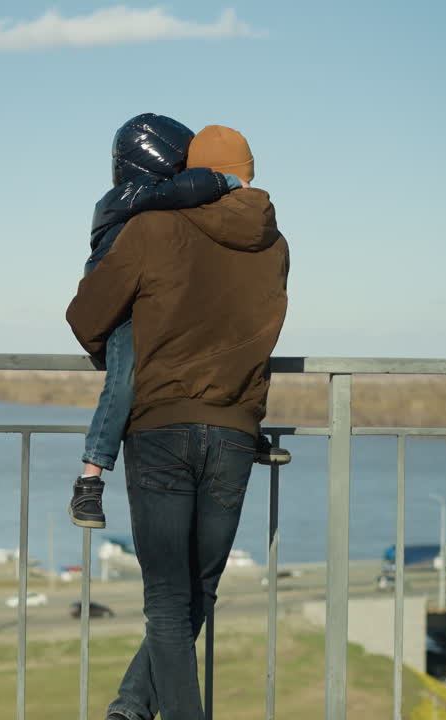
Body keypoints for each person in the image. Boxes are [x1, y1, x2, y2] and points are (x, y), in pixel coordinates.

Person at [66, 124, 290, 720]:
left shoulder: (153, 227)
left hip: (161, 426)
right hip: (237, 431)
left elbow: (87, 315)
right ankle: (130, 708)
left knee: (167, 601)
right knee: (198, 592)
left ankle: (136, 711)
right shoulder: (275, 245)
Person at [69, 115, 289, 531]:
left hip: (156, 342)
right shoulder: (134, 199)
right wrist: (221, 182)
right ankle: (90, 478)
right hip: (127, 310)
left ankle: (250, 430)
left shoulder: (158, 206)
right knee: (125, 379)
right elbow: (184, 190)